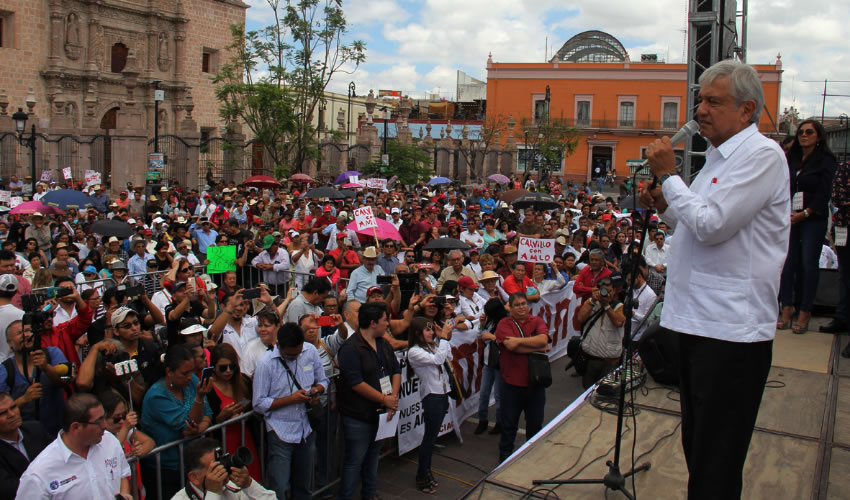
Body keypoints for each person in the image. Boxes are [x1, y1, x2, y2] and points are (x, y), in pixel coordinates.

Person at [640, 59, 790, 499]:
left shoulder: (762, 156)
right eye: (700, 99)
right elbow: (693, 229)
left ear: (747, 111)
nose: (700, 110)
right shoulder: (716, 160)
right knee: (699, 451)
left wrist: (669, 176)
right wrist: (666, 206)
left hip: (731, 332)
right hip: (697, 323)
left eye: (713, 101)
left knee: (716, 459)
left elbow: (712, 224)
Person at [252, 322, 328, 500]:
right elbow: (258, 403)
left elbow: (323, 381)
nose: (295, 357)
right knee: (279, 485)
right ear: (279, 345)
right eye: (290, 355)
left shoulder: (310, 351)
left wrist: (317, 391)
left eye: (298, 353)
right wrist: (290, 400)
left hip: (306, 430)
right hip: (280, 432)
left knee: (304, 484)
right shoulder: (265, 364)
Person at [777, 119, 837, 334]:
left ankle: (805, 310)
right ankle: (787, 306)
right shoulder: (791, 159)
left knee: (807, 263)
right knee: (788, 261)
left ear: (818, 136)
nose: (803, 135)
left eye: (809, 132)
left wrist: (805, 213)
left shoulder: (826, 161)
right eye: (801, 131)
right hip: (790, 217)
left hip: (812, 217)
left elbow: (824, 192)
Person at [336, 302, 401, 500]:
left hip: (380, 413)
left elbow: (395, 370)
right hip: (358, 416)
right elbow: (356, 383)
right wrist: (385, 399)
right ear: (373, 323)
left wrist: (392, 398)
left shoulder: (383, 343)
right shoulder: (350, 348)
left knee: (373, 459)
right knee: (354, 462)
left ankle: (369, 495)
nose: (387, 324)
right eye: (384, 320)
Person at [17, 393, 132, 499]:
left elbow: (122, 475)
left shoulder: (110, 441)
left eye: (104, 417)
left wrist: (124, 494)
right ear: (75, 427)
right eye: (98, 421)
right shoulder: (39, 473)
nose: (105, 425)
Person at [141, 344, 214, 500]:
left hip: (190, 463)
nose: (190, 377)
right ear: (169, 372)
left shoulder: (192, 380)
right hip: (166, 470)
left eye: (191, 372)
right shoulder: (156, 396)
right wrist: (199, 398)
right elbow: (188, 423)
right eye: (184, 373)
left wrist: (200, 427)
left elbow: (207, 413)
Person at [495, 292, 550, 461]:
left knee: (535, 425)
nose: (521, 307)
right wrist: (536, 347)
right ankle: (505, 458)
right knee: (509, 425)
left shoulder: (537, 321)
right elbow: (510, 346)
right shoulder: (504, 324)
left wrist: (520, 342)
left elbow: (543, 340)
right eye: (517, 305)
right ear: (510, 308)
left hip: (535, 384)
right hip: (512, 385)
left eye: (523, 304)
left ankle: (531, 458)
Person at [406, 316, 453, 494]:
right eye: (427, 330)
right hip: (431, 396)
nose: (431, 333)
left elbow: (448, 356)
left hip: (442, 393)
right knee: (429, 439)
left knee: (432, 437)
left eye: (431, 329)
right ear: (418, 333)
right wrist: (444, 339)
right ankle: (422, 475)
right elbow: (438, 360)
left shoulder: (432, 345)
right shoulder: (414, 352)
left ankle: (426, 471)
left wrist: (442, 339)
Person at [207, 343, 261, 480]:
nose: (228, 371)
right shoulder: (208, 389)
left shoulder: (243, 381)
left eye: (232, 366)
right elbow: (207, 422)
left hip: (246, 438)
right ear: (213, 368)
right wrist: (221, 417)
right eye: (223, 368)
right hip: (224, 444)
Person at [171, 437, 276, 500]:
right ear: (194, 477)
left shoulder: (231, 488)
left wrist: (248, 484)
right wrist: (213, 494)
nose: (223, 470)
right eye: (215, 467)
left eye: (221, 462)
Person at [574, 273, 626, 389]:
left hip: (609, 361)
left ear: (614, 291)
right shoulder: (591, 302)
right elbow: (580, 318)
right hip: (591, 358)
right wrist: (593, 301)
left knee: (606, 391)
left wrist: (606, 306)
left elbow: (619, 322)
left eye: (608, 290)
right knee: (587, 390)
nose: (606, 293)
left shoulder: (619, 306)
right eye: (603, 290)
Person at [0, 391, 52, 493]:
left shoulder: (36, 429)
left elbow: (62, 458)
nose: (12, 414)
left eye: (13, 407)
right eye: (2, 413)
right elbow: (8, 489)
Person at [475, 298, 507, 435]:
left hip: (499, 363)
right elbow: (479, 335)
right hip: (488, 362)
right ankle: (483, 420)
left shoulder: (505, 322)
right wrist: (482, 325)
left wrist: (492, 337)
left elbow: (508, 342)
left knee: (499, 395)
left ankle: (500, 422)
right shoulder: (489, 320)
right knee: (483, 393)